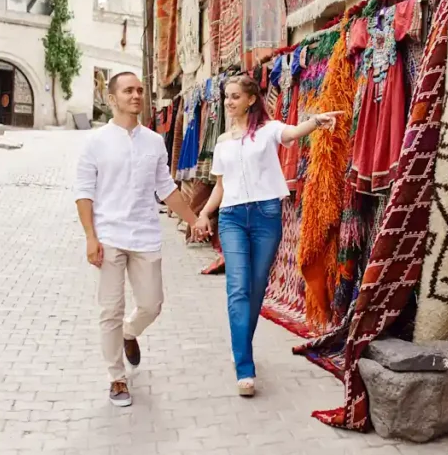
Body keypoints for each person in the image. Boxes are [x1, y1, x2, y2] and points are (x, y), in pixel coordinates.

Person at [195, 74, 340, 397]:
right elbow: (220, 186)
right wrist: (205, 213)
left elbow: (293, 132)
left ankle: (241, 345)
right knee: (237, 288)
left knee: (257, 287)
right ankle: (244, 367)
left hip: (266, 216)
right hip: (232, 217)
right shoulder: (222, 142)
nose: (229, 102)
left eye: (235, 96)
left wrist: (315, 121)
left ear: (250, 99)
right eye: (226, 97)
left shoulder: (269, 130)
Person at [74, 71, 204, 407]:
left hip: (145, 233)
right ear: (112, 98)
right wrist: (90, 237)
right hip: (109, 235)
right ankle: (116, 378)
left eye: (140, 90)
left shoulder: (154, 141)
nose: (136, 96)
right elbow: (84, 193)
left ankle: (130, 333)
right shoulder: (95, 142)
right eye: (128, 90)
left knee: (151, 304)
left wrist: (193, 221)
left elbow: (167, 189)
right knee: (110, 309)